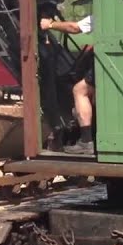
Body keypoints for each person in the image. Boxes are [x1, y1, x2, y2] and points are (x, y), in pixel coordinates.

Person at [40, 14, 95, 155]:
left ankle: (87, 141)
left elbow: (75, 28)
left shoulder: (105, 12)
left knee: (79, 90)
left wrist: (50, 24)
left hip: (110, 60)